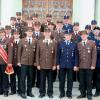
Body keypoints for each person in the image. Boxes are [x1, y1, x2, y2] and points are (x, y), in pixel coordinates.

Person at [57, 29, 78, 99]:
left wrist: (75, 65)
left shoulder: (74, 44)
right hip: (62, 65)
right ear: (64, 36)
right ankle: (62, 93)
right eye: (66, 35)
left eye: (69, 35)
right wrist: (58, 64)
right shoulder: (61, 43)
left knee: (70, 80)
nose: (68, 36)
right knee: (61, 80)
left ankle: (69, 93)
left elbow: (76, 56)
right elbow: (58, 55)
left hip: (71, 65)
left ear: (71, 36)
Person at [36, 28, 57, 98]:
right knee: (42, 80)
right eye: (46, 32)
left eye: (48, 32)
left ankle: (50, 93)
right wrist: (38, 64)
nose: (47, 34)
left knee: (50, 81)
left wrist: (54, 64)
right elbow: (37, 54)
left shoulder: (54, 42)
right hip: (42, 65)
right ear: (44, 34)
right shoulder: (39, 42)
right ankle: (42, 92)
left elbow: (55, 55)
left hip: (50, 65)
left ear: (50, 33)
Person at [77, 31, 97, 100]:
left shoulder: (92, 43)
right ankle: (82, 94)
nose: (83, 36)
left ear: (87, 35)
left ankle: (89, 94)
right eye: (82, 35)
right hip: (81, 66)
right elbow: (77, 56)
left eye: (85, 35)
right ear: (80, 36)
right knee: (81, 82)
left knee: (89, 82)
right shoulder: (79, 44)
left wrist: (93, 65)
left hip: (89, 66)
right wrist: (77, 65)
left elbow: (94, 55)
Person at [18, 27, 37, 99]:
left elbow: (35, 53)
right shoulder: (22, 41)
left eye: (31, 32)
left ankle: (29, 92)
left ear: (32, 33)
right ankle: (22, 92)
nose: (29, 33)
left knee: (30, 78)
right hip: (23, 62)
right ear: (26, 32)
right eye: (28, 32)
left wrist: (35, 61)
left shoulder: (35, 41)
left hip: (31, 63)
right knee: (22, 78)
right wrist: (19, 61)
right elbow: (19, 52)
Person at [8, 29, 21, 95]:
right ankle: (13, 90)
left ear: (19, 35)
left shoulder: (22, 42)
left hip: (19, 63)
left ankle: (19, 90)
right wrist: (9, 62)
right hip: (12, 63)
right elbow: (9, 53)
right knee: (12, 77)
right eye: (15, 34)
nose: (16, 35)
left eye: (17, 34)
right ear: (13, 35)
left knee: (20, 78)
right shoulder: (10, 42)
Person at [0, 28, 10, 97]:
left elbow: (10, 52)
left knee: (5, 76)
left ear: (5, 33)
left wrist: (8, 62)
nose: (1, 34)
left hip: (4, 62)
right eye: (0, 33)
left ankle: (6, 90)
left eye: (3, 33)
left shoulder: (8, 40)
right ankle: (1, 90)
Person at [93, 27, 100, 97]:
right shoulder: (91, 39)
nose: (97, 32)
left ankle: (97, 91)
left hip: (98, 63)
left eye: (98, 31)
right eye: (95, 31)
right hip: (92, 63)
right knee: (94, 77)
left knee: (98, 77)